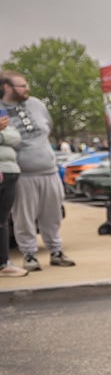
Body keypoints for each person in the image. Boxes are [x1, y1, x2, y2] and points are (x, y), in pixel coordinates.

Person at [1, 71, 75, 271]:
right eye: (22, 86)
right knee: (24, 217)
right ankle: (29, 254)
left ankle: (56, 251)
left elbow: (47, 128)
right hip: (23, 173)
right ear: (7, 87)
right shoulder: (1, 110)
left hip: (49, 170)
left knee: (52, 214)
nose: (27, 89)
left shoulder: (36, 104)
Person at [0, 104, 27, 277]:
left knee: (2, 220)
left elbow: (16, 137)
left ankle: (3, 263)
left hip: (9, 172)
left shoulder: (5, 120)